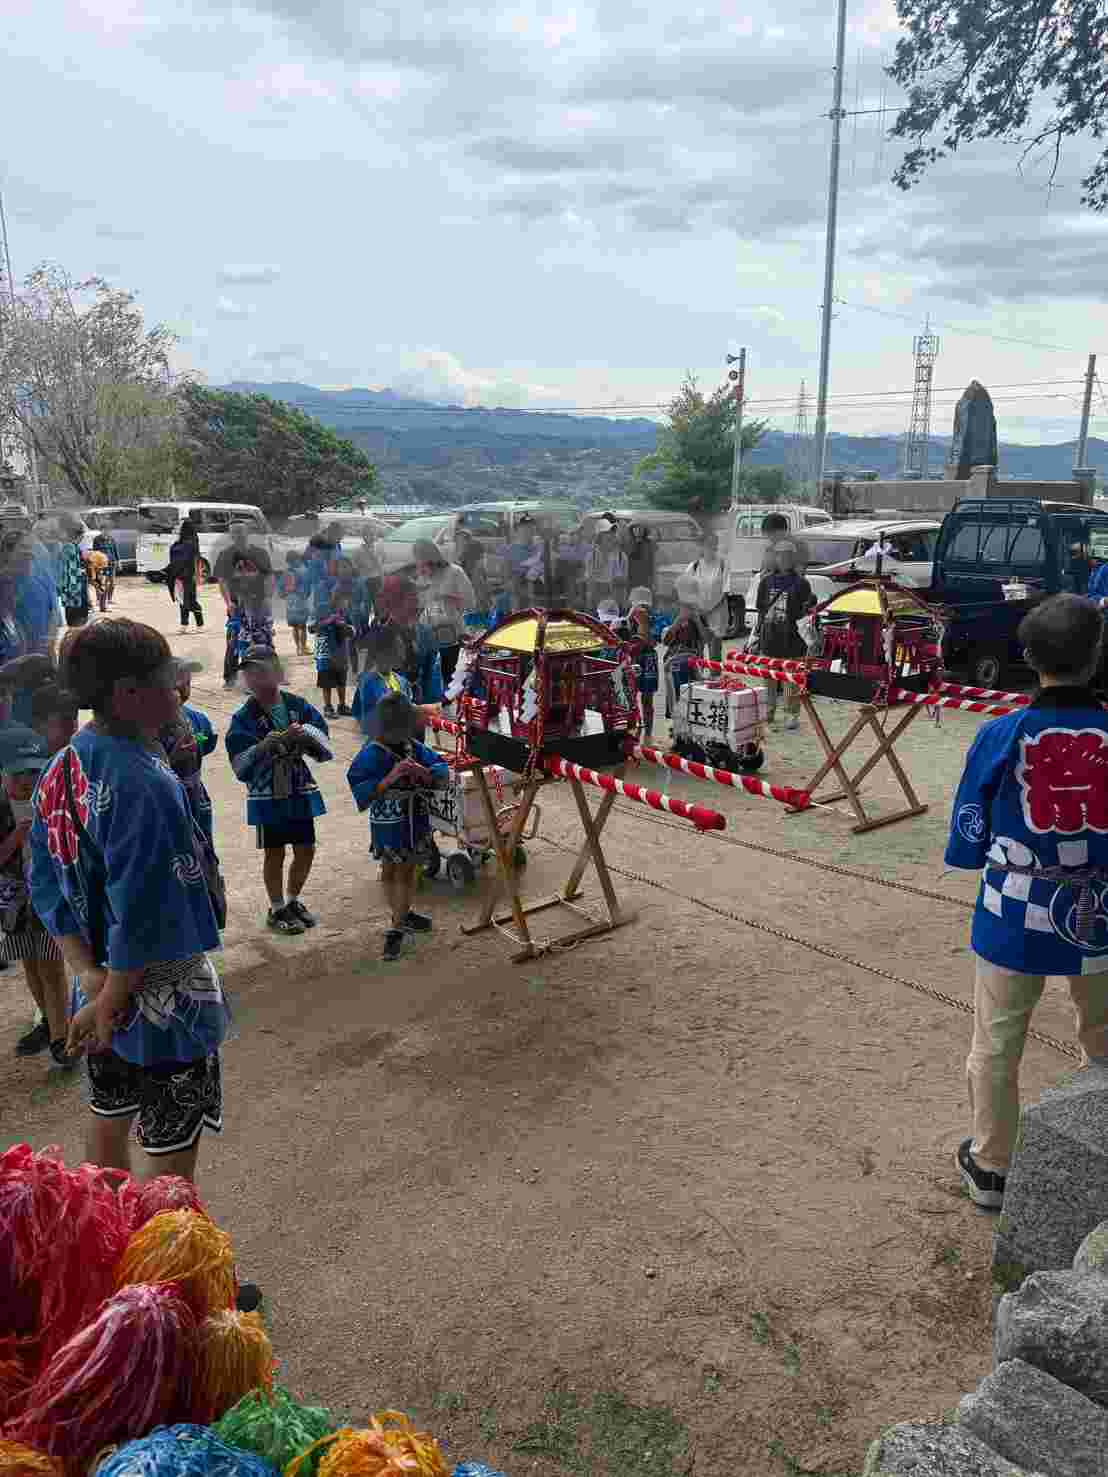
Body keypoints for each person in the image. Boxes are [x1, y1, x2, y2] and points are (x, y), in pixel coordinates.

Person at [29, 619, 231, 1185]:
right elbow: (145, 906)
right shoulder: (143, 784)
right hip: (159, 998)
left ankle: (110, 1253)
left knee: (109, 1120)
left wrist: (89, 977)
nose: (179, 686)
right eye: (168, 675)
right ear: (129, 693)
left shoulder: (64, 765)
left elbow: (44, 877)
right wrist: (114, 996)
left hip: (95, 986)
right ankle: (164, 1268)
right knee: (169, 1166)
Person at [945, 594, 1108, 1209]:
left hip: (1014, 909)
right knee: (1104, 1030)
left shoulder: (1001, 734)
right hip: (1102, 916)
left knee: (996, 1040)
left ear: (1029, 656)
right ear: (1096, 655)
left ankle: (991, 1168)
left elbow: (969, 830)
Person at [226, 644, 332, 937]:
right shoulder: (244, 717)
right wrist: (265, 745)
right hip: (267, 791)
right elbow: (239, 761)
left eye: (261, 671)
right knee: (274, 852)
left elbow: (322, 736)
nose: (256, 679)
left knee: (306, 848)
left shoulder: (296, 704)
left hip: (298, 785)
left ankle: (293, 900)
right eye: (250, 674)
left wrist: (305, 736)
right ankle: (276, 908)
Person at [347, 691, 448, 962]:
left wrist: (423, 773)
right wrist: (391, 777)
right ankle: (399, 918)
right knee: (391, 871)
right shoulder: (371, 753)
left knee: (404, 872)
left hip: (413, 820)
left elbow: (440, 767)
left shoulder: (412, 747)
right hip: (387, 822)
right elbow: (359, 783)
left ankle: (397, 923)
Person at [0, 724, 73, 1069]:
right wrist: (17, 836)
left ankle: (63, 1037)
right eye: (18, 773)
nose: (27, 780)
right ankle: (48, 1020)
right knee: (30, 961)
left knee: (52, 964)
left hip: (48, 895)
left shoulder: (50, 797)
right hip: (13, 900)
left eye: (34, 770)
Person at [755, 541, 814, 730]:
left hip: (793, 640)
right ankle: (768, 711)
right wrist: (756, 636)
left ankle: (792, 714)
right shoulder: (765, 582)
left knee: (791, 681)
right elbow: (761, 611)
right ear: (775, 558)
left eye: (788, 555)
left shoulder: (802, 583)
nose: (784, 559)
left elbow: (807, 613)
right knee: (768, 680)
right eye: (780, 555)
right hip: (769, 637)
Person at [160, 659, 217, 848]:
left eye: (188, 683)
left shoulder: (197, 718)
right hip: (166, 802)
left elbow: (207, 740)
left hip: (196, 799)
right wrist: (171, 759)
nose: (185, 687)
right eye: (180, 682)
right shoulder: (149, 725)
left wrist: (196, 741)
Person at [214, 523, 274, 687]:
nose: (238, 534)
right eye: (234, 532)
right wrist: (228, 602)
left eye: (241, 531)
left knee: (263, 637)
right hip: (238, 603)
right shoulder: (225, 555)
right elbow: (222, 580)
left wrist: (268, 597)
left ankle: (269, 673)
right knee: (234, 639)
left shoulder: (260, 553)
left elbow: (269, 576)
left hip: (259, 602)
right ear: (230, 535)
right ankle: (230, 677)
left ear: (248, 532)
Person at [372, 575, 444, 705]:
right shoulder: (382, 636)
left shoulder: (425, 633)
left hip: (421, 707)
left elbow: (433, 674)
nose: (417, 602)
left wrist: (431, 705)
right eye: (412, 598)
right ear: (394, 602)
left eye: (417, 597)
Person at [412, 540, 475, 687]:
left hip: (451, 635)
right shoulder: (422, 576)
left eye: (421, 560)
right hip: (426, 634)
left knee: (449, 677)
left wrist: (448, 598)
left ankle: (447, 706)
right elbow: (419, 604)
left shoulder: (455, 572)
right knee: (426, 678)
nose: (419, 564)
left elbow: (471, 602)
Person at [310, 559, 354, 719]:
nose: (342, 600)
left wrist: (346, 627)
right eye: (338, 594)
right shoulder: (322, 608)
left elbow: (352, 630)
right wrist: (329, 621)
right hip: (326, 651)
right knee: (326, 680)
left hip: (341, 650)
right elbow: (312, 627)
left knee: (341, 677)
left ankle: (342, 704)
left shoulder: (345, 611)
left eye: (344, 597)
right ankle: (328, 706)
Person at [352, 623, 412, 737]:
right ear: (376, 655)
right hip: (380, 738)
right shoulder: (368, 683)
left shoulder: (402, 681)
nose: (398, 657)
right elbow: (370, 718)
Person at [680, 532, 730, 664]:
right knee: (697, 653)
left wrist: (709, 609)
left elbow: (725, 591)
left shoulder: (723, 564)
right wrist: (696, 609)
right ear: (701, 546)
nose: (711, 548)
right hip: (698, 616)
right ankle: (698, 681)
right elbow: (684, 588)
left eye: (714, 545)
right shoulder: (694, 566)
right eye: (707, 545)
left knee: (715, 654)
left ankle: (715, 680)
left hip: (717, 615)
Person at [661, 604, 710, 720]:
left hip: (693, 664)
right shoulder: (676, 615)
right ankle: (677, 729)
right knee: (676, 699)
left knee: (693, 698)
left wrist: (697, 620)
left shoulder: (701, 617)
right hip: (675, 664)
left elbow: (707, 639)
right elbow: (665, 641)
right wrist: (678, 621)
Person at [625, 586, 659, 738]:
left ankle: (637, 731)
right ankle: (648, 733)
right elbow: (650, 641)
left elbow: (640, 638)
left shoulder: (634, 612)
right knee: (647, 698)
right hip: (648, 659)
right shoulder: (646, 613)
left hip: (636, 658)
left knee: (632, 695)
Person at [55, 514, 89, 629]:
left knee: (75, 621)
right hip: (75, 592)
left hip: (73, 591)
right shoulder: (70, 548)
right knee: (77, 624)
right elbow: (71, 572)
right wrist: (74, 592)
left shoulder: (68, 546)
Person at [170, 518, 203, 630]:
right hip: (178, 576)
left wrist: (198, 575)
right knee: (181, 600)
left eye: (179, 524)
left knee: (191, 600)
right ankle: (184, 624)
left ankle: (200, 624)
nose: (177, 526)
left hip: (188, 576)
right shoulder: (180, 542)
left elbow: (197, 560)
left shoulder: (191, 543)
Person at [587, 521, 628, 611]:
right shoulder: (592, 556)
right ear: (599, 536)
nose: (611, 535)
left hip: (615, 599)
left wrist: (623, 604)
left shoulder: (621, 556)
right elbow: (590, 580)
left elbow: (624, 581)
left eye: (612, 532)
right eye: (607, 532)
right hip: (598, 598)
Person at [282, 549, 311, 657]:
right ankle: (303, 647)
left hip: (290, 601)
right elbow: (307, 585)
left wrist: (284, 594)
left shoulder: (286, 571)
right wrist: (306, 594)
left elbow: (281, 587)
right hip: (301, 600)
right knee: (302, 626)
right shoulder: (304, 570)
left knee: (295, 626)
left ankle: (298, 648)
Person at [91, 528, 119, 607]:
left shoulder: (111, 539)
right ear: (101, 530)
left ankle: (109, 599)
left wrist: (118, 561)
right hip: (101, 564)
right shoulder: (97, 539)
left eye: (107, 530)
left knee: (112, 583)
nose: (106, 532)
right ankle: (99, 599)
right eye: (104, 530)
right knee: (101, 582)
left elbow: (115, 550)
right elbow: (94, 552)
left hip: (111, 563)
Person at [625, 524, 655, 594]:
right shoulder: (628, 543)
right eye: (635, 529)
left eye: (640, 529)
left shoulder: (649, 544)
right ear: (632, 530)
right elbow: (626, 561)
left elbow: (652, 562)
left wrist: (652, 579)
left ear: (644, 530)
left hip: (645, 577)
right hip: (632, 577)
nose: (638, 531)